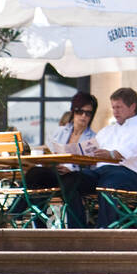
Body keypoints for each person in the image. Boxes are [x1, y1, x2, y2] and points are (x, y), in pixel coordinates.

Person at [60, 87, 137, 228]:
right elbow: (90, 149)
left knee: (107, 185)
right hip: (100, 173)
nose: (115, 111)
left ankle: (103, 231)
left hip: (127, 174)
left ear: (133, 107)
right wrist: (74, 158)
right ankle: (78, 229)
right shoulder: (108, 130)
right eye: (113, 107)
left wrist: (111, 154)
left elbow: (133, 149)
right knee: (69, 179)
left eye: (119, 107)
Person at [15, 91, 99, 228]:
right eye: (80, 111)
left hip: (77, 175)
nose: (83, 116)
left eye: (88, 113)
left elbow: (94, 166)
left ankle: (76, 228)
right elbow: (48, 151)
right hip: (56, 172)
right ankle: (33, 221)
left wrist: (70, 168)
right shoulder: (60, 131)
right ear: (73, 111)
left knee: (69, 181)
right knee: (34, 173)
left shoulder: (94, 138)